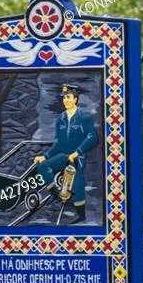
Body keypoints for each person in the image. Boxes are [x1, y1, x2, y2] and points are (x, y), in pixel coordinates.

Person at [33, 84, 98, 223]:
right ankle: (58, 196)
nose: (66, 100)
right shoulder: (61, 118)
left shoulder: (84, 117)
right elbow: (58, 143)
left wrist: (78, 152)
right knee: (43, 167)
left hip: (77, 156)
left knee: (77, 181)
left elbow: (93, 137)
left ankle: (81, 215)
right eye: (64, 98)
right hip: (63, 155)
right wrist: (45, 156)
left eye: (68, 97)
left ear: (75, 99)